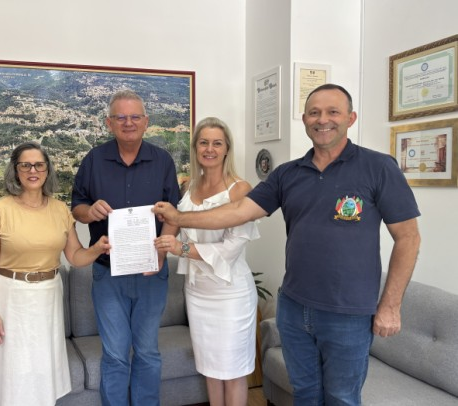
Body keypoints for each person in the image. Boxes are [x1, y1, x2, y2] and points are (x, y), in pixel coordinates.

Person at [154, 84, 421, 406]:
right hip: (294, 308)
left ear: (350, 118)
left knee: (342, 397)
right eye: (314, 113)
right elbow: (238, 212)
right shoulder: (287, 174)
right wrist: (179, 218)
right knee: (303, 393)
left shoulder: (378, 167)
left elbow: (408, 238)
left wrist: (390, 306)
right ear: (305, 119)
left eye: (333, 112)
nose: (322, 120)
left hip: (348, 312)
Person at [0, 142, 110, 406]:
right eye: (26, 165)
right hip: (10, 298)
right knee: (14, 371)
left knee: (40, 370)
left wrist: (97, 249)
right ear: (15, 170)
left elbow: (75, 256)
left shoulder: (60, 210)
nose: (33, 171)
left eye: (39, 165)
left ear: (47, 170)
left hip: (48, 296)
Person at [71, 89, 180, 405]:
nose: (128, 123)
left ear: (146, 121)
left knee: (147, 352)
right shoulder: (94, 159)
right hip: (108, 272)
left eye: (135, 117)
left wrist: (161, 255)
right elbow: (77, 207)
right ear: (109, 122)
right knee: (116, 355)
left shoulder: (162, 161)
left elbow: (174, 214)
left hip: (151, 272)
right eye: (120, 117)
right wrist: (89, 212)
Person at [154, 117, 260, 406]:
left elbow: (230, 250)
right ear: (195, 148)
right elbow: (172, 227)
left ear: (227, 149)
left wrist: (181, 248)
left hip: (230, 294)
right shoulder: (187, 186)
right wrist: (153, 254)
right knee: (210, 370)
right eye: (203, 143)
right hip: (197, 292)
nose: (209, 149)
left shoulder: (240, 189)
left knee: (233, 372)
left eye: (217, 143)